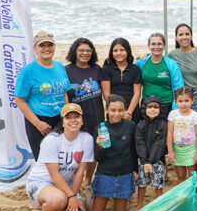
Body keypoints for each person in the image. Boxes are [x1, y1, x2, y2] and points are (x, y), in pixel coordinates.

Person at [24, 103, 93, 211]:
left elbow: (79, 173)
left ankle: (62, 204)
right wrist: (71, 197)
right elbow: (54, 175)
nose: (73, 120)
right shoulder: (52, 140)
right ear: (62, 122)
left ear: (82, 120)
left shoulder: (87, 139)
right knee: (58, 199)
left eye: (77, 117)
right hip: (42, 181)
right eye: (68, 117)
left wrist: (72, 196)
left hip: (67, 183)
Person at [15, 31, 70, 160]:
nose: (46, 48)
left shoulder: (60, 67)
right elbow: (19, 100)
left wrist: (66, 116)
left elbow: (64, 93)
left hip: (59, 120)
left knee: (61, 158)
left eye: (50, 45)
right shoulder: (28, 71)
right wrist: (38, 123)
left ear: (54, 47)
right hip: (38, 121)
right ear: (35, 48)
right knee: (44, 161)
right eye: (42, 45)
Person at [167, 24, 197, 178]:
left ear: (191, 36)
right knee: (181, 131)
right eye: (181, 34)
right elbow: (160, 63)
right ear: (176, 37)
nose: (184, 37)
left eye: (187, 34)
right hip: (181, 98)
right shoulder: (172, 55)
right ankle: (181, 162)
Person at [87, 95, 137, 211]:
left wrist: (135, 170)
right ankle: (88, 196)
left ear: (125, 110)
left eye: (120, 110)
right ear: (106, 110)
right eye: (113, 110)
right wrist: (100, 146)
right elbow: (98, 158)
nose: (116, 113)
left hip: (124, 174)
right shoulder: (100, 128)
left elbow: (134, 150)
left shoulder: (130, 126)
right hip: (106, 174)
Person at [65, 37, 104, 183]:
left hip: (96, 116)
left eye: (88, 50)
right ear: (75, 51)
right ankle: (75, 181)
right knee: (78, 151)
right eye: (81, 50)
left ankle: (88, 180)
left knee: (94, 151)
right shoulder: (66, 70)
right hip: (77, 119)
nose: (85, 53)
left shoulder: (97, 69)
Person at [135, 32, 184, 120]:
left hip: (166, 105)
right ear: (148, 46)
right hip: (147, 105)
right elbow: (130, 71)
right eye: (153, 44)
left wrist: (176, 108)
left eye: (159, 44)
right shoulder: (142, 62)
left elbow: (179, 87)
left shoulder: (171, 64)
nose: (156, 47)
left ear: (164, 45)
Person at [134, 96, 168, 210]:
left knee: (158, 183)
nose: (152, 109)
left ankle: (158, 205)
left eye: (156, 107)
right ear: (144, 109)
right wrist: (145, 161)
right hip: (142, 160)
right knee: (142, 183)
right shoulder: (140, 125)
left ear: (160, 109)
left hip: (157, 160)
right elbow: (139, 143)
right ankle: (139, 205)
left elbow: (160, 143)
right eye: (149, 107)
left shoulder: (163, 125)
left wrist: (151, 160)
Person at [167, 87, 197, 184]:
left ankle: (192, 199)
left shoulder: (195, 116)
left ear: (192, 100)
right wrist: (170, 151)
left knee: (192, 177)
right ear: (176, 101)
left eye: (187, 101)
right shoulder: (172, 114)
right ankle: (182, 198)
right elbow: (169, 133)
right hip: (177, 149)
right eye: (180, 101)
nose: (183, 104)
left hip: (191, 149)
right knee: (180, 176)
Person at [101, 37, 142, 122]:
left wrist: (128, 112)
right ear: (111, 53)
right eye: (115, 50)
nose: (118, 53)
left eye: (122, 50)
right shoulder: (106, 69)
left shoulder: (135, 69)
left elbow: (137, 93)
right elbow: (106, 94)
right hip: (113, 112)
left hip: (132, 111)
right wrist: (119, 112)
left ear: (127, 51)